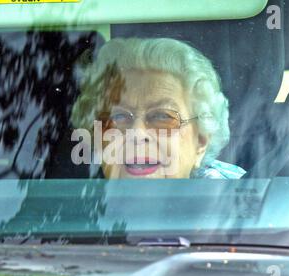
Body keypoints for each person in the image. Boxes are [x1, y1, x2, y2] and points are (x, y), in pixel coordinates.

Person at [70, 37, 245, 179]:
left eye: (162, 116)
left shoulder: (239, 206)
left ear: (200, 141)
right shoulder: (61, 209)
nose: (137, 134)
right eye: (119, 117)